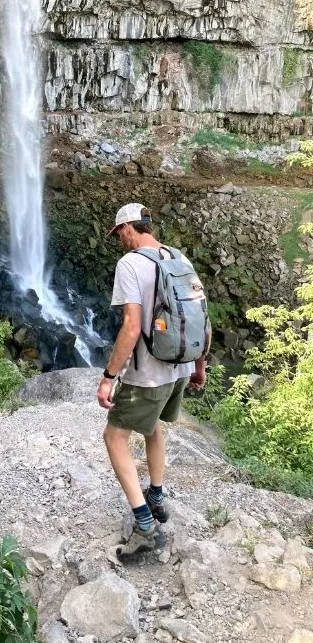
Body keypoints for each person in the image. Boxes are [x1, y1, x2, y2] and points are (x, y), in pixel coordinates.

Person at [98, 203, 209, 561]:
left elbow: (131, 327)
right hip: (180, 366)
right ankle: (157, 498)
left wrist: (109, 377)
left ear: (129, 228)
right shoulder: (179, 258)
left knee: (114, 436)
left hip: (148, 373)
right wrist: (199, 365)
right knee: (153, 427)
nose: (120, 241)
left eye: (120, 234)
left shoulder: (130, 264)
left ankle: (145, 528)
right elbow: (198, 316)